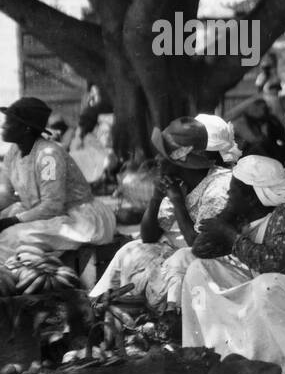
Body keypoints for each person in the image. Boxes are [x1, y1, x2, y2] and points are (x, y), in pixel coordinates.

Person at [183, 155, 285, 374]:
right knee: (198, 270)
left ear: (251, 198)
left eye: (234, 191)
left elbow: (272, 263)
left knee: (264, 285)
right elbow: (200, 249)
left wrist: (230, 235)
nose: (229, 195)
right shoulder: (243, 216)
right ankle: (204, 354)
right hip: (275, 295)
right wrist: (227, 215)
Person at [90, 115, 239, 310]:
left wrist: (178, 202)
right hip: (174, 252)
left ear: (182, 162)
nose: (158, 160)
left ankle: (165, 317)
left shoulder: (218, 187)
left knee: (177, 262)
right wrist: (156, 198)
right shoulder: (177, 183)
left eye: (165, 156)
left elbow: (199, 246)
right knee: (128, 250)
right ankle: (96, 305)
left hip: (204, 262)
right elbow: (148, 236)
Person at [0, 97, 115, 263]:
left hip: (76, 218)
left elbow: (52, 206)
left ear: (26, 128)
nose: (3, 126)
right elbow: (7, 194)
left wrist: (12, 221)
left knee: (10, 237)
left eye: (9, 122)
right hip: (40, 213)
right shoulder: (13, 153)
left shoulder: (48, 155)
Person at [228, 95, 285, 177]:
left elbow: (283, 139)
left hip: (266, 156)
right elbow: (254, 140)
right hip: (246, 160)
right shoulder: (240, 122)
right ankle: (283, 172)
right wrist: (265, 128)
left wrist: (275, 124)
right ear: (253, 109)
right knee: (260, 146)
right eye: (262, 109)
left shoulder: (264, 120)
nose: (264, 111)